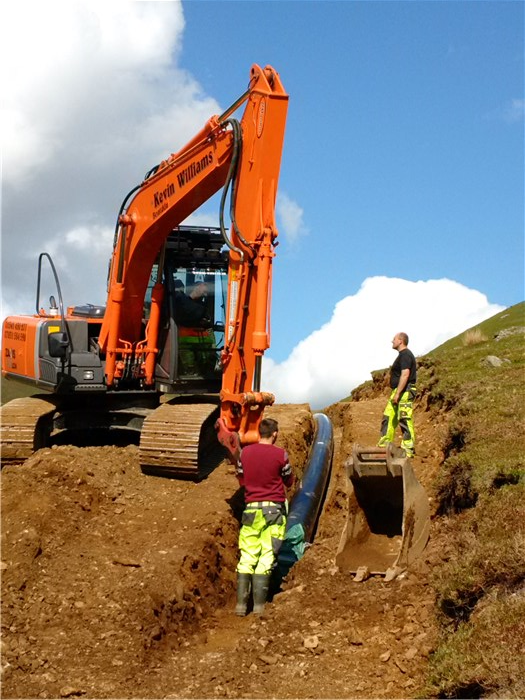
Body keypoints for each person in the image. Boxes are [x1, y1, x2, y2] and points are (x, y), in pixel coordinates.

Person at [234, 418, 294, 616]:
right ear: (275, 434)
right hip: (273, 512)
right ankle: (259, 607)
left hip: (251, 511)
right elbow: (289, 480)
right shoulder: (280, 454)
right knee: (266, 556)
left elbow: (241, 479)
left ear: (259, 433)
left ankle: (241, 606)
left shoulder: (245, 453)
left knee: (248, 556)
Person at [377, 332, 417, 457]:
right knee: (388, 418)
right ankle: (384, 446)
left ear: (400, 341)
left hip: (405, 391)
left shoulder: (406, 355)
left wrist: (398, 393)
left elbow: (405, 374)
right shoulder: (401, 355)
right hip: (398, 391)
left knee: (404, 418)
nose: (392, 341)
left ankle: (408, 449)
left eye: (394, 339)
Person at [173, 280, 215, 376]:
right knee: (190, 366)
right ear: (198, 286)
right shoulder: (183, 303)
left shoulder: (202, 305)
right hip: (186, 343)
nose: (205, 294)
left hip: (202, 344)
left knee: (206, 365)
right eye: (204, 290)